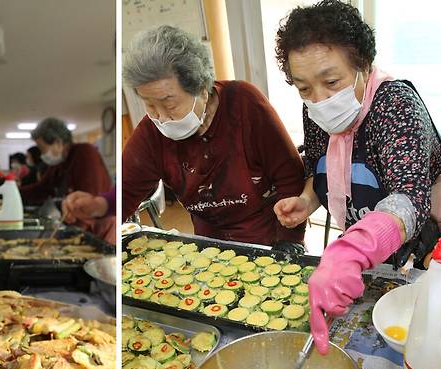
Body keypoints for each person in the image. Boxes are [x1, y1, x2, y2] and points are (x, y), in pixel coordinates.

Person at [272, 0, 441, 354]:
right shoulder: (318, 112)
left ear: (363, 67)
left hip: (421, 256)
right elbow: (320, 166)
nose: (319, 100)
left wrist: (351, 250)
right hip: (371, 263)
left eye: (331, 81)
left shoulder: (396, 106)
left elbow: (409, 198)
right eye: (304, 88)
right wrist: (308, 200)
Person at [122, 25, 306, 251]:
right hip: (209, 244)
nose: (160, 116)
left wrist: (289, 240)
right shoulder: (151, 135)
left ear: (201, 88)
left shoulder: (244, 104)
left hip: (269, 236)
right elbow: (123, 193)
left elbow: (289, 175)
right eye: (149, 105)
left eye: (169, 104)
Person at [20, 118, 112, 204]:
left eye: (42, 148)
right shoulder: (58, 162)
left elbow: (89, 198)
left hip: (95, 217)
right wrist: (14, 192)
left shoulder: (84, 152)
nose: (41, 155)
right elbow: (42, 189)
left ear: (58, 142)